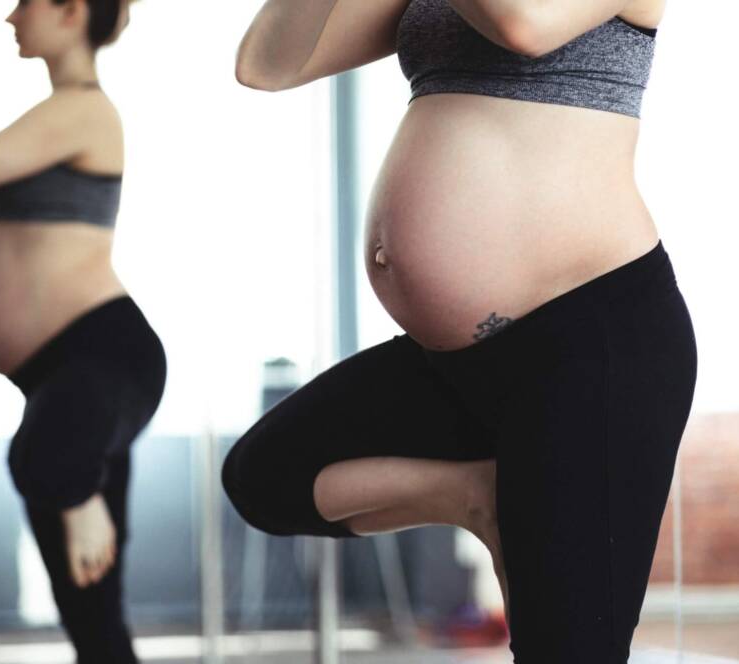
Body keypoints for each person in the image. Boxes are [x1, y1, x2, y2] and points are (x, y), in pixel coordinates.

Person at [221, 0, 697, 660]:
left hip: (589, 341)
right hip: (457, 363)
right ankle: (477, 498)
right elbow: (266, 65)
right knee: (266, 476)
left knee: (567, 649)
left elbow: (523, 26)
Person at [0, 2, 164, 661]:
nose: (10, 17)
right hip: (66, 371)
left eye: (25, 1)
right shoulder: (53, 118)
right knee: (90, 611)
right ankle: (74, 488)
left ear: (70, 10)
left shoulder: (82, 110)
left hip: (102, 355)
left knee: (44, 464)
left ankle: (77, 490)